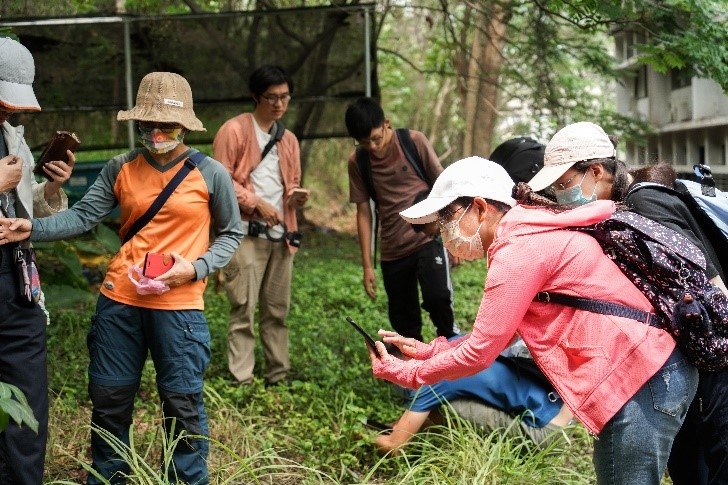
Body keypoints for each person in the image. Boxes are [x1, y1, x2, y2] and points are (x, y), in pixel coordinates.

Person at [368, 155, 698, 484]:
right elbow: (497, 338)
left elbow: (479, 353)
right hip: (649, 371)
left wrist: (407, 373)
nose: (444, 232)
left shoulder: (518, 251)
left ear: (481, 208)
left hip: (645, 377)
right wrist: (428, 351)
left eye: (447, 217)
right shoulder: (525, 231)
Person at [0, 71, 243, 485]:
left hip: (180, 308)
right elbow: (81, 215)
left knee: (182, 403)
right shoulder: (121, 167)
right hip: (119, 301)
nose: (156, 133)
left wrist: (196, 268)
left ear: (184, 126)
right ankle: (109, 476)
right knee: (109, 398)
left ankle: (186, 478)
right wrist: (30, 227)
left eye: (165, 126)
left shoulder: (211, 173)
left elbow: (232, 233)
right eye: (147, 125)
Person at [527, 121, 728, 485]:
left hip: (717, 361)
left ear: (596, 171)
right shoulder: (620, 207)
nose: (560, 195)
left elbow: (711, 287)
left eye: (563, 184)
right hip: (693, 359)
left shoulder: (644, 203)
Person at [0, 37, 75, 484]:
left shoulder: (12, 133)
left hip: (18, 276)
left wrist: (49, 188)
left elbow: (27, 205)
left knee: (27, 396)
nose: (9, 109)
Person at [213, 65, 307, 387]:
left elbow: (290, 185)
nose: (279, 104)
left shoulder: (289, 140)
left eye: (285, 97)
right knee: (243, 308)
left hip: (282, 236)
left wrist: (296, 197)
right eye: (272, 97)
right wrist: (256, 204)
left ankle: (277, 376)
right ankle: (242, 380)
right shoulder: (234, 131)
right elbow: (219, 180)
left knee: (277, 310)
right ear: (256, 96)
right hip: (244, 234)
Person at [344, 97, 458, 342]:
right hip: (392, 249)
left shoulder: (413, 142)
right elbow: (363, 213)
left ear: (386, 124)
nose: (372, 147)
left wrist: (452, 235)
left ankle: (453, 360)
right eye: (365, 143)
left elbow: (443, 186)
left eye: (376, 138)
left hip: (428, 238)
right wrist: (366, 265)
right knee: (404, 323)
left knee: (438, 299)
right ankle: (412, 376)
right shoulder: (358, 161)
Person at [374, 337, 574, 454]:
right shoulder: (452, 344)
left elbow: (394, 446)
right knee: (447, 396)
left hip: (549, 436)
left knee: (444, 406)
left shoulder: (430, 381)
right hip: (562, 406)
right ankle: (414, 424)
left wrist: (367, 436)